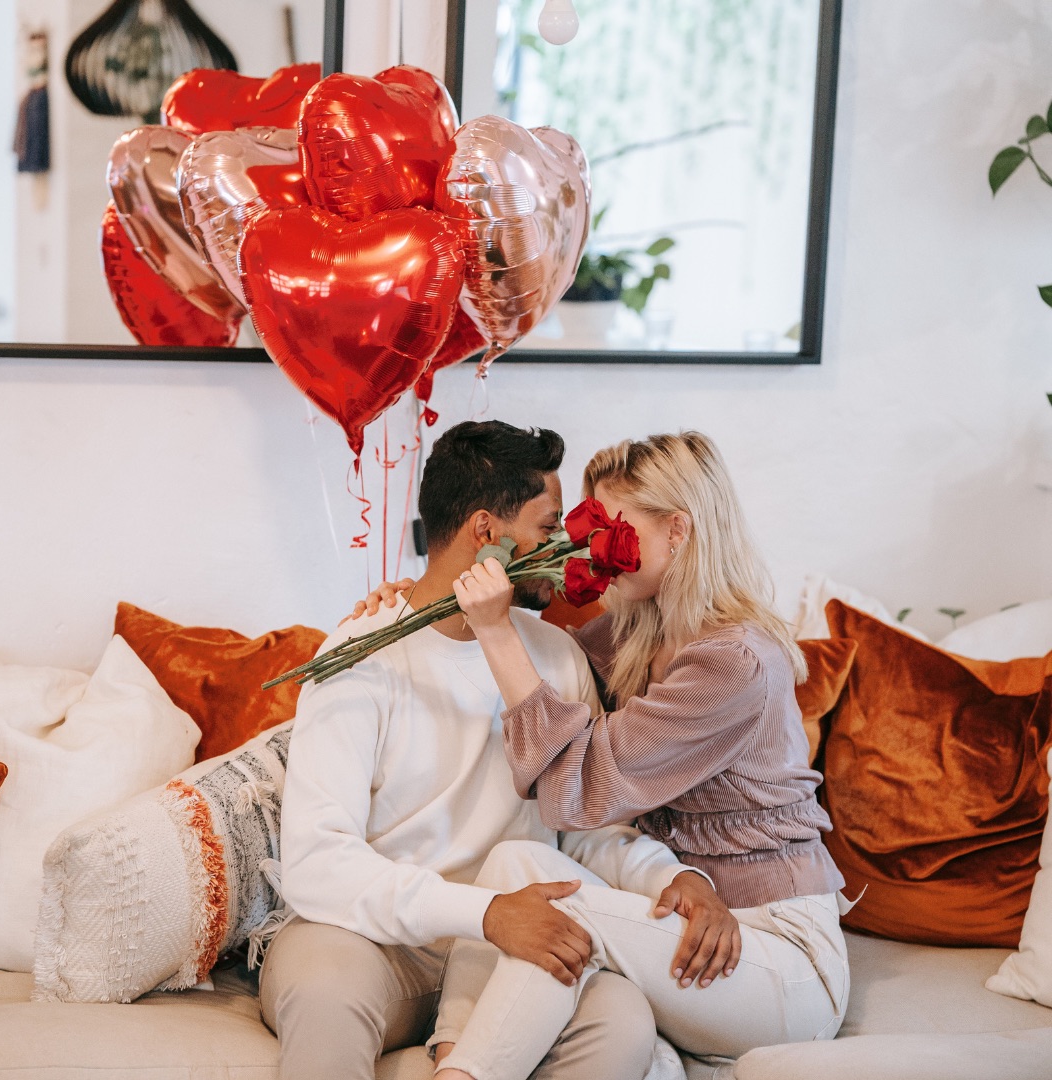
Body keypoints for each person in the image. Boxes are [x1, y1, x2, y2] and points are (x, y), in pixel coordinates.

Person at [361, 431, 852, 1080]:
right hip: (690, 922)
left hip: (779, 955)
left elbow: (579, 788)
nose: (595, 547)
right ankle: (452, 1055)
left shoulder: (733, 660)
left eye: (614, 527)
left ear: (677, 531)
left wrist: (493, 629)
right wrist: (421, 603)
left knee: (551, 911)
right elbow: (541, 663)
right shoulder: (634, 632)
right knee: (516, 864)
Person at [261, 421, 733, 1080]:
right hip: (376, 940)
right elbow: (318, 864)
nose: (564, 543)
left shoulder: (556, 656)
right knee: (321, 989)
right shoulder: (359, 656)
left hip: (516, 947)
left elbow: (585, 828)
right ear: (486, 532)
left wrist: (669, 877)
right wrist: (486, 913)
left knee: (621, 1019)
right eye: (547, 525)